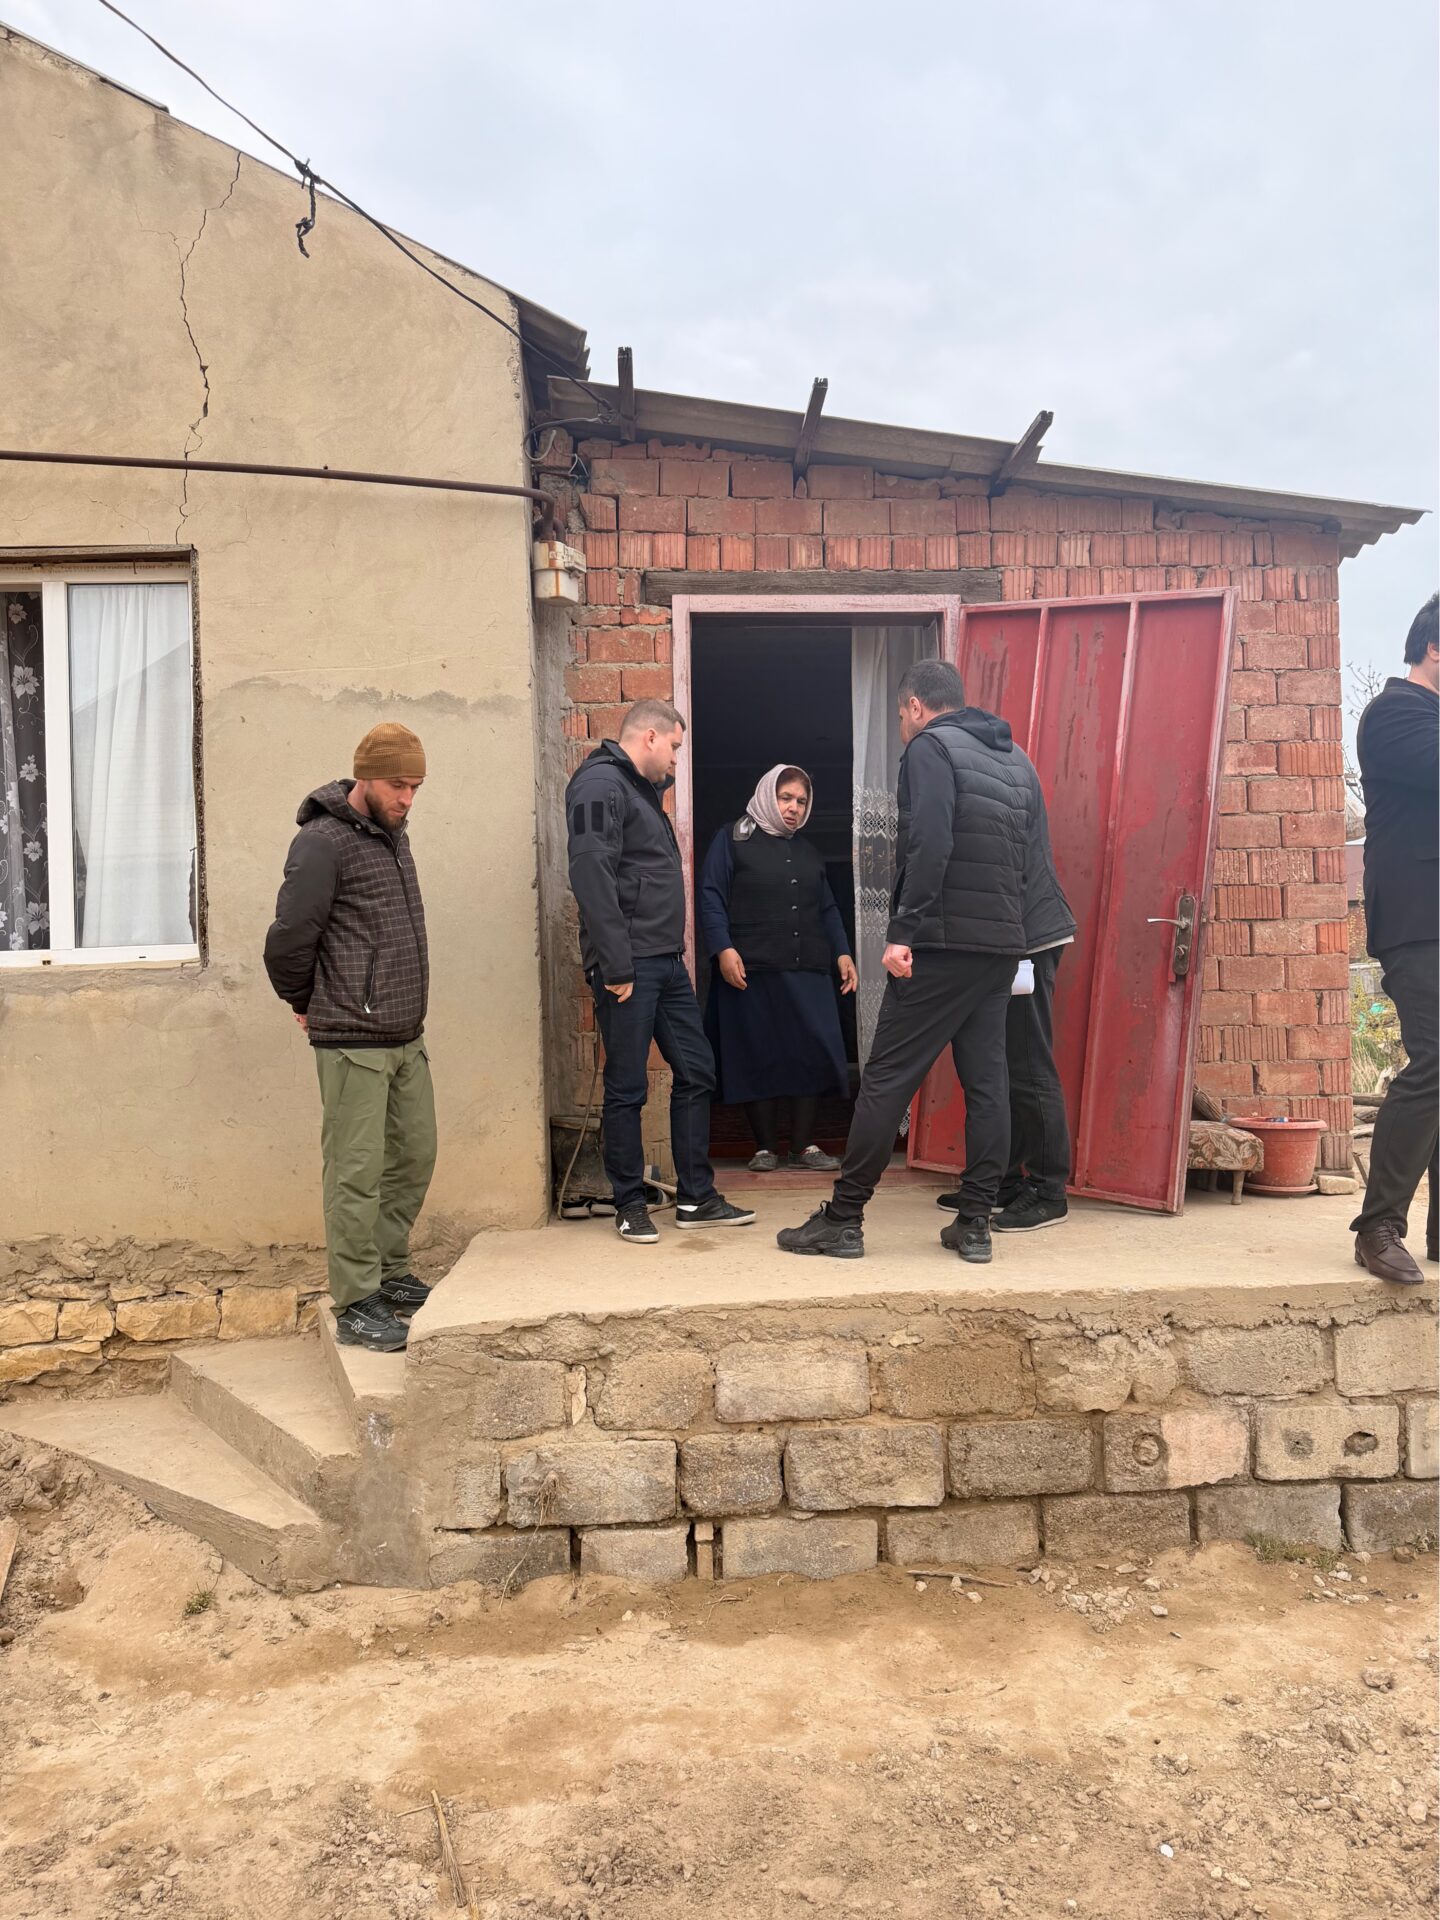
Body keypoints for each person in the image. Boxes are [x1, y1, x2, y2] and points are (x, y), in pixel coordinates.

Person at [777, 658, 1041, 1266]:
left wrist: (902, 931)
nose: (902, 726)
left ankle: (844, 1219)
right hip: (999, 947)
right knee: (988, 1086)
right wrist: (1014, 933)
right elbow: (1030, 855)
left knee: (887, 1081)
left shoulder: (930, 749)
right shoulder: (1015, 760)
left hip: (941, 946)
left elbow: (931, 841)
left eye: (900, 715)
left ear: (917, 706)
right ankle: (975, 1224)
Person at [263, 723, 435, 1354]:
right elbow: (288, 937)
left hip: (404, 1034)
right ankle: (357, 1300)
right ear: (365, 777)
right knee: (355, 1174)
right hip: (352, 1039)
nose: (407, 798)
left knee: (413, 1157)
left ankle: (389, 1273)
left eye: (416, 787)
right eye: (398, 785)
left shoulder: (392, 835)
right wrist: (303, 1001)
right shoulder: (322, 842)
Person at [566, 698, 755, 1244]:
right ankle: (629, 1203)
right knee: (627, 1086)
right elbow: (590, 872)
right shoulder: (599, 784)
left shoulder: (640, 791)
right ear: (648, 737)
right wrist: (615, 963)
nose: (676, 759)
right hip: (628, 965)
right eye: (674, 747)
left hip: (666, 962)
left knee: (697, 1070)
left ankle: (696, 1198)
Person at [700, 764, 859, 1172]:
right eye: (785, 798)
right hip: (752, 971)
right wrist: (722, 948)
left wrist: (842, 952)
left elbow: (827, 907)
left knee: (812, 1052)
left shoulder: (808, 852)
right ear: (768, 795)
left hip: (808, 969)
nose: (793, 808)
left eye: (801, 801)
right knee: (758, 1054)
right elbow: (711, 895)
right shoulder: (731, 839)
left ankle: (803, 1146)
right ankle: (765, 1147)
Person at [936, 781, 1076, 1231]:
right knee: (1004, 1066)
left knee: (1029, 1063)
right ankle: (1007, 1180)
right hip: (1007, 935)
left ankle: (1049, 1190)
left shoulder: (993, 780)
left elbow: (1000, 866)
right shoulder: (992, 775)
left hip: (1025, 937)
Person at [1350, 591, 1439, 1287]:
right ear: (1434, 649)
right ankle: (1378, 1225)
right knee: (1436, 1059)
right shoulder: (1394, 714)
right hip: (1417, 919)